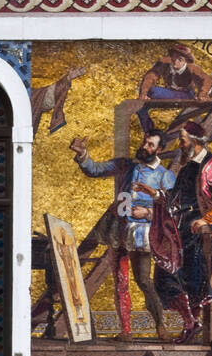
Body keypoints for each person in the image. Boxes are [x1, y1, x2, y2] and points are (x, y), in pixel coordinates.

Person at [69, 130, 176, 342]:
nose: (145, 147)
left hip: (141, 235)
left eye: (151, 145)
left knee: (144, 280)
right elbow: (95, 169)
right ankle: (126, 331)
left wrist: (148, 212)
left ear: (160, 150)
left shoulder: (165, 175)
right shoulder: (126, 165)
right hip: (118, 231)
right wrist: (82, 154)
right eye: (145, 143)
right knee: (120, 281)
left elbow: (172, 209)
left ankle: (160, 326)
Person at [152, 122, 212, 341]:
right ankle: (191, 321)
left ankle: (192, 323)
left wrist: (206, 219)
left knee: (193, 276)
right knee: (163, 276)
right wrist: (156, 196)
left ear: (196, 140)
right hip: (181, 227)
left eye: (182, 140)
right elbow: (175, 198)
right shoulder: (186, 168)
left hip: (199, 228)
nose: (180, 145)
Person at [138, 44, 212, 135]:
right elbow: (151, 76)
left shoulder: (192, 67)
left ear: (186, 61)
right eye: (173, 58)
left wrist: (202, 95)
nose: (175, 61)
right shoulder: (164, 63)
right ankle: (150, 132)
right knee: (142, 104)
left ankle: (167, 134)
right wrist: (143, 94)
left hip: (186, 95)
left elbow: (207, 80)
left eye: (180, 59)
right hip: (169, 93)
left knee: (153, 92)